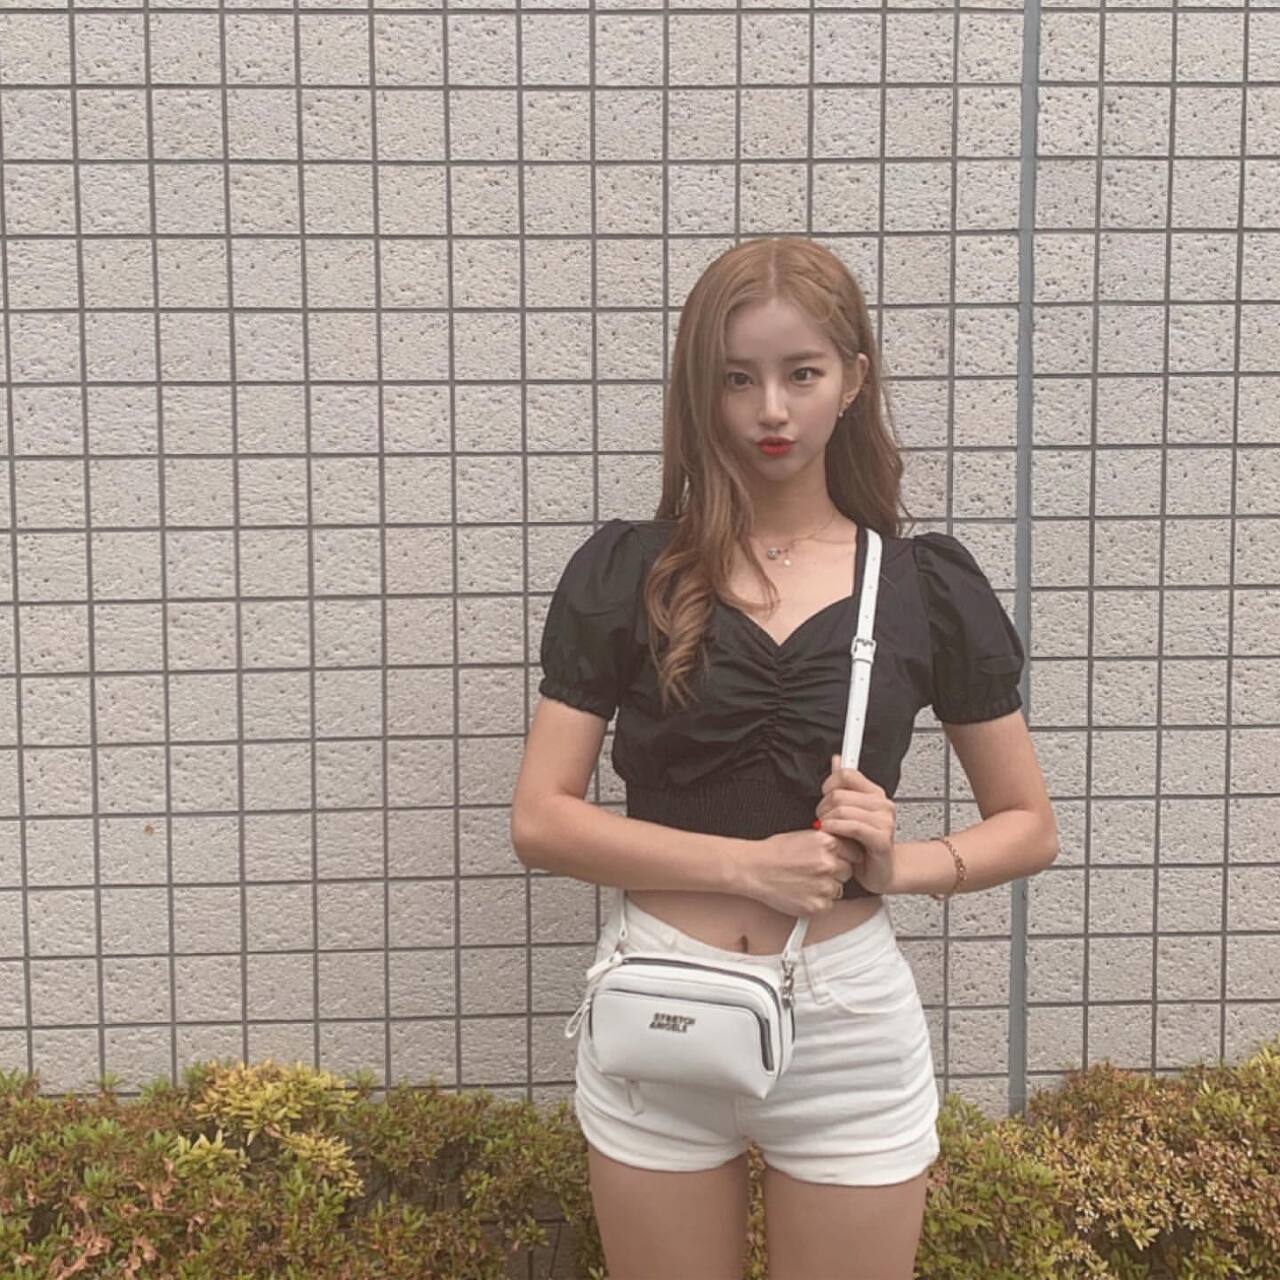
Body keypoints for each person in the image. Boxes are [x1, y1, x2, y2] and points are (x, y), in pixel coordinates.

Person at [510, 235, 1058, 1280]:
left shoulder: (922, 586)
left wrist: (900, 864)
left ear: (852, 379)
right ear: (700, 392)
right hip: (661, 1004)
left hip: (844, 1022)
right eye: (737, 379)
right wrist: (746, 867)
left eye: (800, 373)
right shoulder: (631, 571)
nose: (771, 409)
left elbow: (1028, 824)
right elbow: (540, 817)